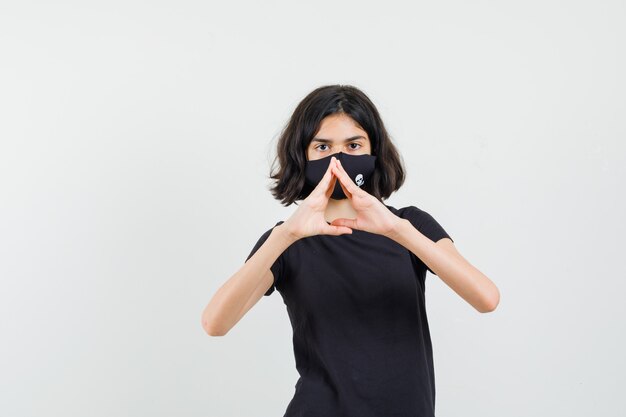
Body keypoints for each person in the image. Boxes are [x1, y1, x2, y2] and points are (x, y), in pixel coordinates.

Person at [201, 84, 500, 417]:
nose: (338, 159)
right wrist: (285, 235)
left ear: (373, 151)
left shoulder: (410, 226)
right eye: (323, 146)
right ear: (304, 155)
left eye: (353, 145)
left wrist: (396, 230)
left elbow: (485, 298)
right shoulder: (286, 241)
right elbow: (216, 323)